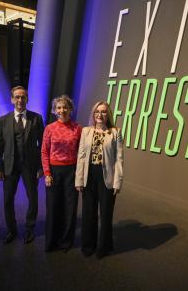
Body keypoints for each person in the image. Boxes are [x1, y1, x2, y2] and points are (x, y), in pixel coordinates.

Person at [0, 86, 44, 245]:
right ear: (11, 99)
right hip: (10, 166)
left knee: (33, 198)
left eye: (23, 97)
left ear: (27, 99)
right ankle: (11, 230)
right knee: (8, 199)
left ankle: (30, 228)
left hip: (30, 165)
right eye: (17, 97)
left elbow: (42, 144)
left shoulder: (36, 118)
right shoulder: (3, 120)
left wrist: (41, 166)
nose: (20, 100)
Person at [75, 101, 123, 259]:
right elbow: (81, 157)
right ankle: (88, 246)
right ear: (93, 114)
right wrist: (79, 180)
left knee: (106, 214)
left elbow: (118, 159)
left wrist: (118, 182)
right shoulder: (86, 131)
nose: (99, 115)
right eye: (97, 111)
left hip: (107, 177)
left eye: (103, 112)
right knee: (88, 213)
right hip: (89, 175)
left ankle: (104, 247)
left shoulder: (115, 132)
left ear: (107, 114)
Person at [41, 95, 82, 252]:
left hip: (71, 171)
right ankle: (51, 242)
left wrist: (79, 174)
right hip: (54, 172)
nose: (62, 110)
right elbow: (44, 152)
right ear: (54, 110)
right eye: (59, 107)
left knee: (70, 208)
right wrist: (47, 174)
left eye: (65, 107)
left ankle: (66, 242)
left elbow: (81, 152)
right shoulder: (49, 128)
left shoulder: (78, 128)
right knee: (53, 207)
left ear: (70, 109)